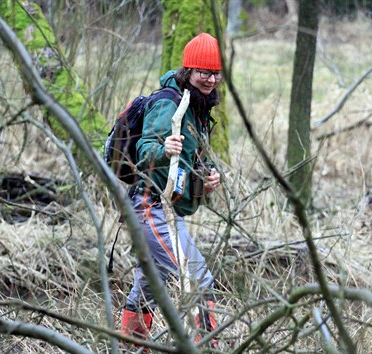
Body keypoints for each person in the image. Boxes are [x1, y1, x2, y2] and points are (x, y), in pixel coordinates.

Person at [120, 32, 223, 350]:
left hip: (169, 210)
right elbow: (144, 151)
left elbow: (189, 164)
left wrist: (206, 180)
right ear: (188, 71)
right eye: (203, 72)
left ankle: (129, 346)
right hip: (149, 205)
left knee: (150, 285)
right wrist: (163, 149)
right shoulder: (168, 104)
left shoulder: (198, 109)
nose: (210, 79)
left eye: (216, 73)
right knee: (197, 279)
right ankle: (206, 347)